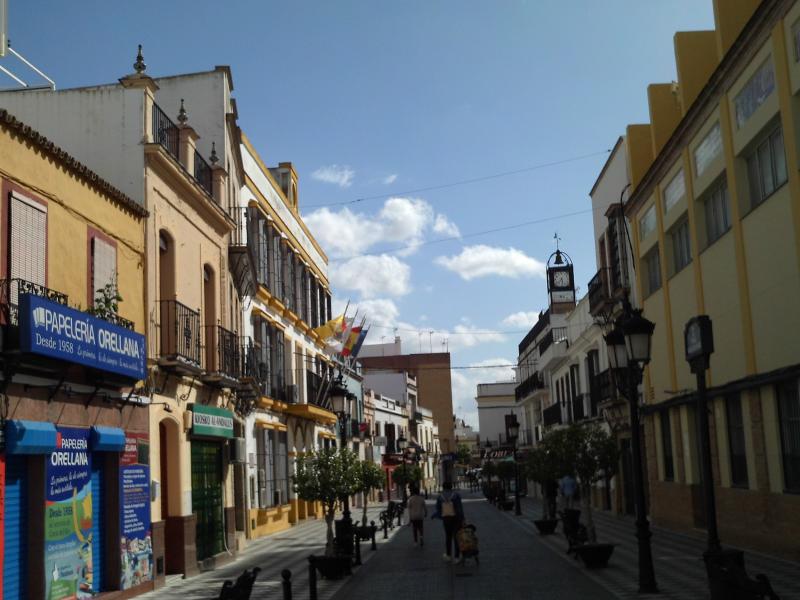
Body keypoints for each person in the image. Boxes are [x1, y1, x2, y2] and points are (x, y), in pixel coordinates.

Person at [432, 481, 464, 563]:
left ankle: (448, 555)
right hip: (456, 518)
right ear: (451, 487)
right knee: (456, 536)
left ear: (443, 487)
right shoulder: (456, 495)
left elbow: (438, 509)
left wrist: (437, 516)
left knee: (448, 537)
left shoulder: (440, 497)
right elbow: (459, 508)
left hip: (446, 518)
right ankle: (457, 557)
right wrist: (462, 518)